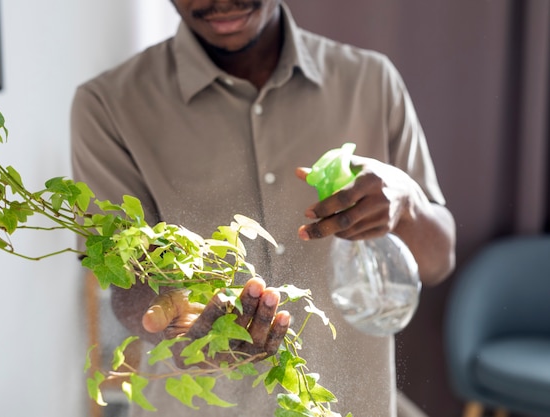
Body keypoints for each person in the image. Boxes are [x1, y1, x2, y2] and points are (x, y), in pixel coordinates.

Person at [70, 1, 456, 416]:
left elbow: (438, 261)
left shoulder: (370, 82)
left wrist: (408, 206)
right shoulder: (108, 105)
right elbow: (126, 286)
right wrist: (180, 324)